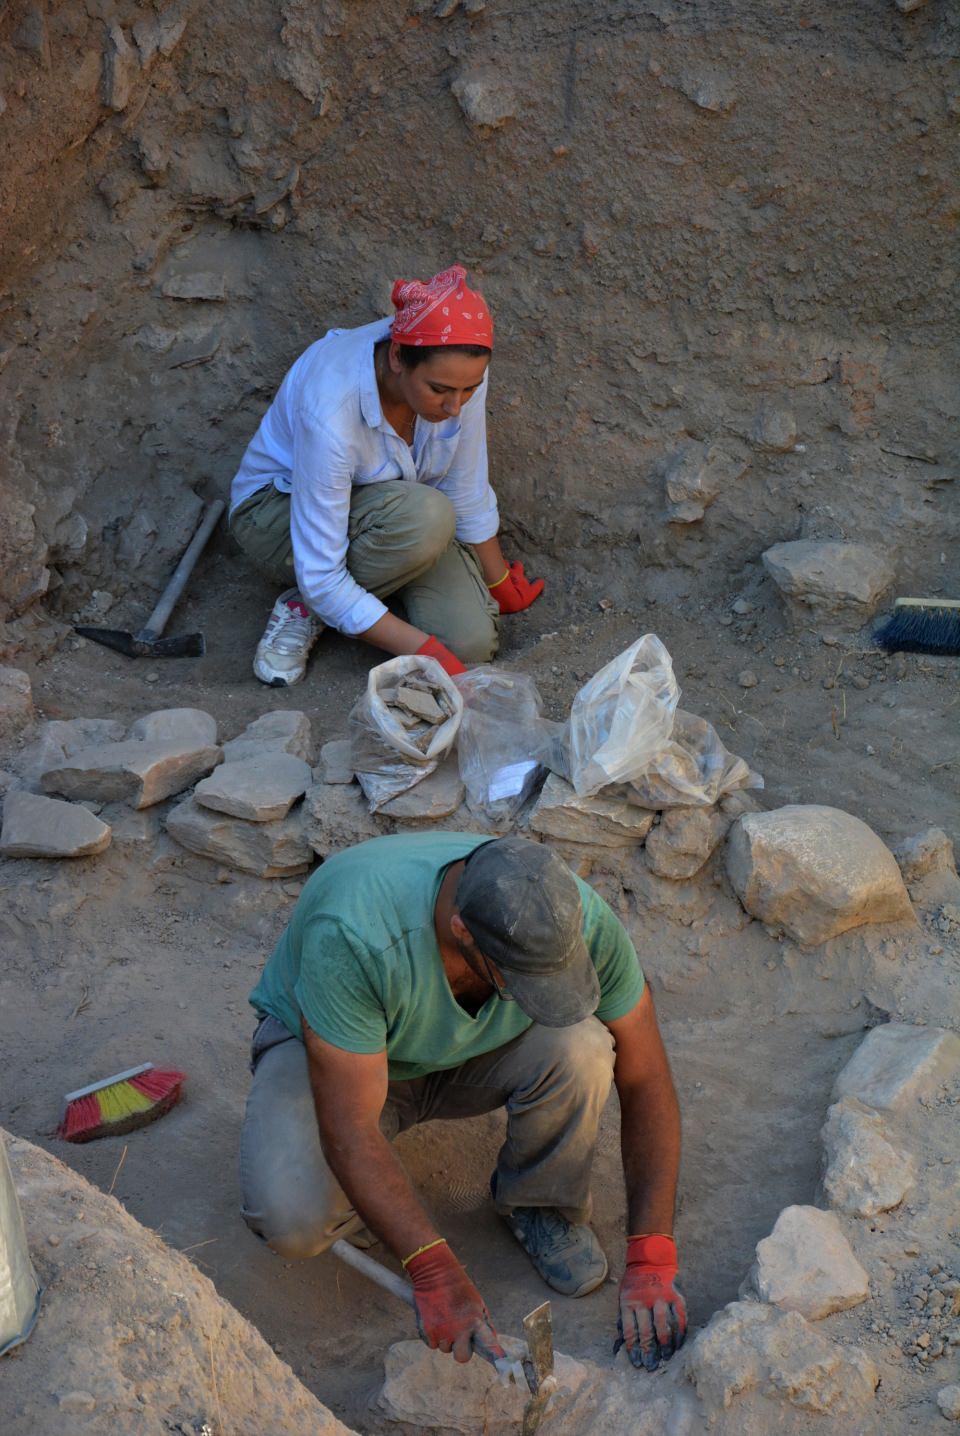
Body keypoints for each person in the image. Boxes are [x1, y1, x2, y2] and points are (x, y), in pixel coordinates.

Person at [240, 832, 686, 1373]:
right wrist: (432, 1269)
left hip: (470, 1051)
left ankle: (538, 1203)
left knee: (586, 1046)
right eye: (524, 982)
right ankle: (362, 1206)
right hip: (334, 1059)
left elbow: (646, 1080)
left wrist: (652, 1255)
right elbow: (351, 1127)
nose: (542, 994)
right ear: (461, 932)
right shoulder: (356, 934)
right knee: (293, 1220)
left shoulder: (575, 920)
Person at [228, 264, 544, 687]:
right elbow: (323, 574)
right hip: (277, 516)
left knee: (469, 643)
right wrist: (424, 653)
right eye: (440, 391)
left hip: (396, 519)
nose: (455, 407)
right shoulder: (331, 411)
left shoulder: (457, 371)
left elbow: (464, 481)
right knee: (427, 517)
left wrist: (498, 578)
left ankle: (362, 595)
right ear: (397, 357)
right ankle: (305, 606)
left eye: (468, 390)